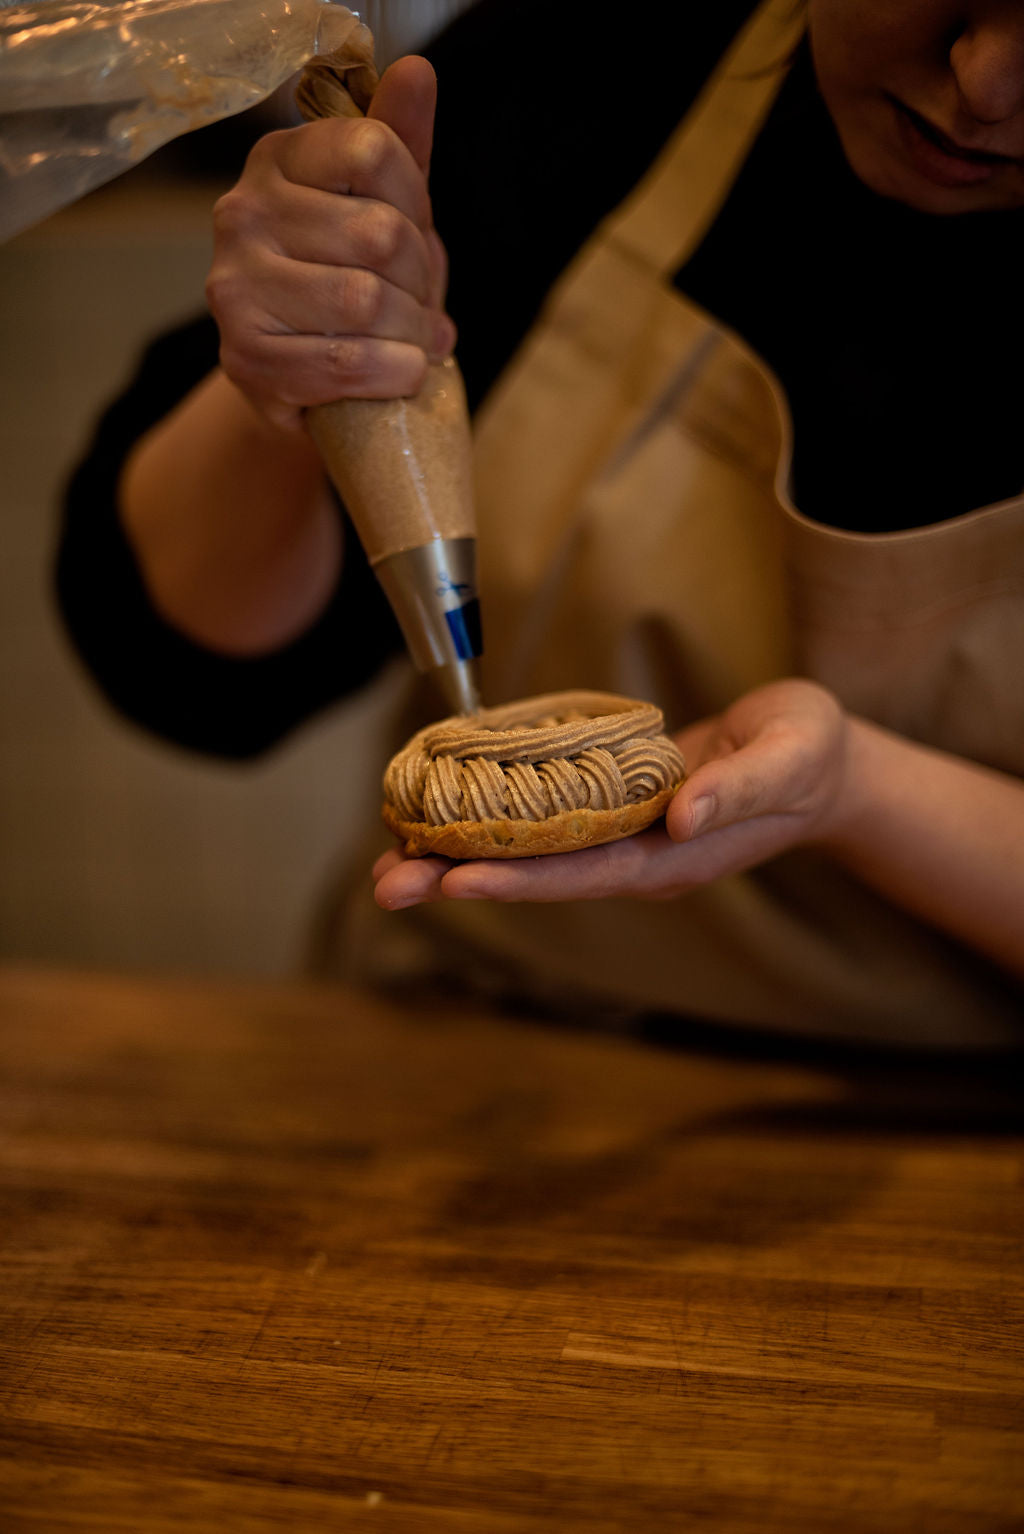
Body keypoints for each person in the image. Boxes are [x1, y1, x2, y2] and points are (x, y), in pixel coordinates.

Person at [57, 0, 1024, 1046]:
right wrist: (297, 382)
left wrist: (854, 790)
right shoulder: (600, 57)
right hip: (459, 1037)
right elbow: (193, 675)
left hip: (941, 1130)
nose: (983, 84)